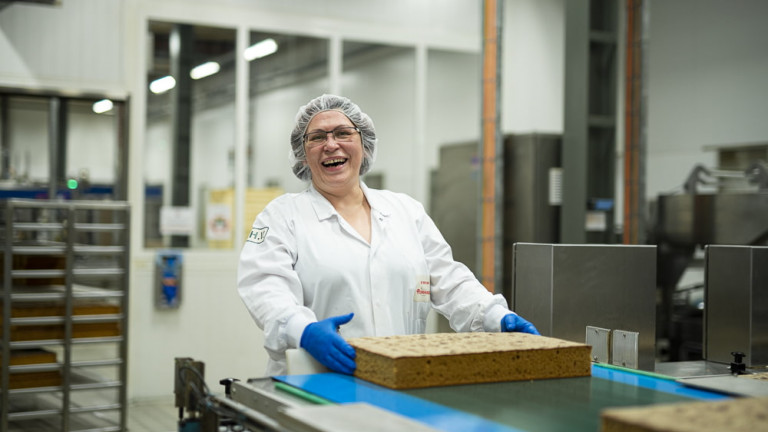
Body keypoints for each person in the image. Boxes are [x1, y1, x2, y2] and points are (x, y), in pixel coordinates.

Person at [237, 94, 539, 377]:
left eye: (343, 133)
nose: (331, 144)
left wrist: (493, 315)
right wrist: (302, 330)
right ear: (303, 155)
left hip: (400, 380)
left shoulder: (405, 211)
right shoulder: (281, 216)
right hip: (314, 381)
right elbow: (264, 286)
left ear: (364, 144)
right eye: (317, 137)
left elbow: (449, 280)